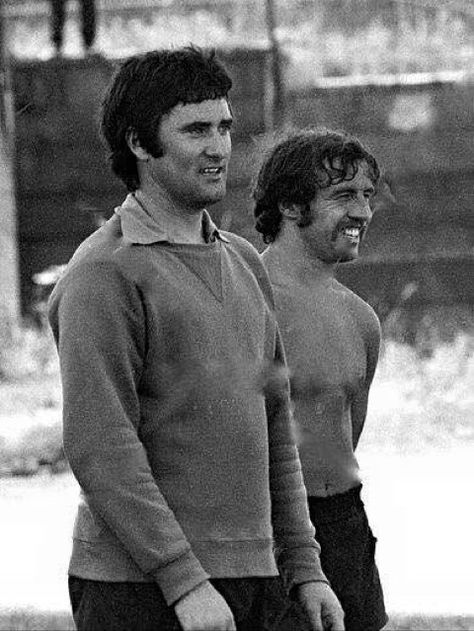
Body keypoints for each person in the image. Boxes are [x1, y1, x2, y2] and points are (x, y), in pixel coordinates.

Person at [48, 48, 344, 631]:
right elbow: (101, 448)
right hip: (142, 589)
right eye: (195, 130)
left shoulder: (243, 262)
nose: (218, 147)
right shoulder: (102, 273)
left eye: (225, 127)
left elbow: (276, 427)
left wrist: (305, 567)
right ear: (138, 142)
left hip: (254, 578)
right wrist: (184, 582)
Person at [254, 128, 388, 631]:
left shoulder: (361, 320)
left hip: (345, 525)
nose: (362, 212)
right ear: (290, 205)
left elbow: (346, 436)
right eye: (343, 195)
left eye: (366, 196)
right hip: (270, 534)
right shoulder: (247, 301)